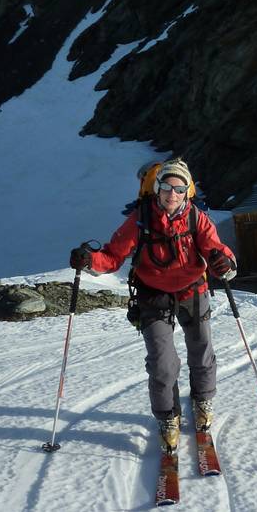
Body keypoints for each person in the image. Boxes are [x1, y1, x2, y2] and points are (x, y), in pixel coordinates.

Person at [69, 158, 237, 455]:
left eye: (179, 188)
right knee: (162, 361)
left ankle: (202, 401)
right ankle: (168, 417)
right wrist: (89, 260)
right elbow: (112, 256)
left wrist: (224, 263)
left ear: (187, 192)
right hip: (152, 294)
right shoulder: (139, 220)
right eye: (166, 187)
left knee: (201, 349)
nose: (172, 194)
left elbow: (216, 250)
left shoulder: (197, 219)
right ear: (156, 189)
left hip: (192, 290)